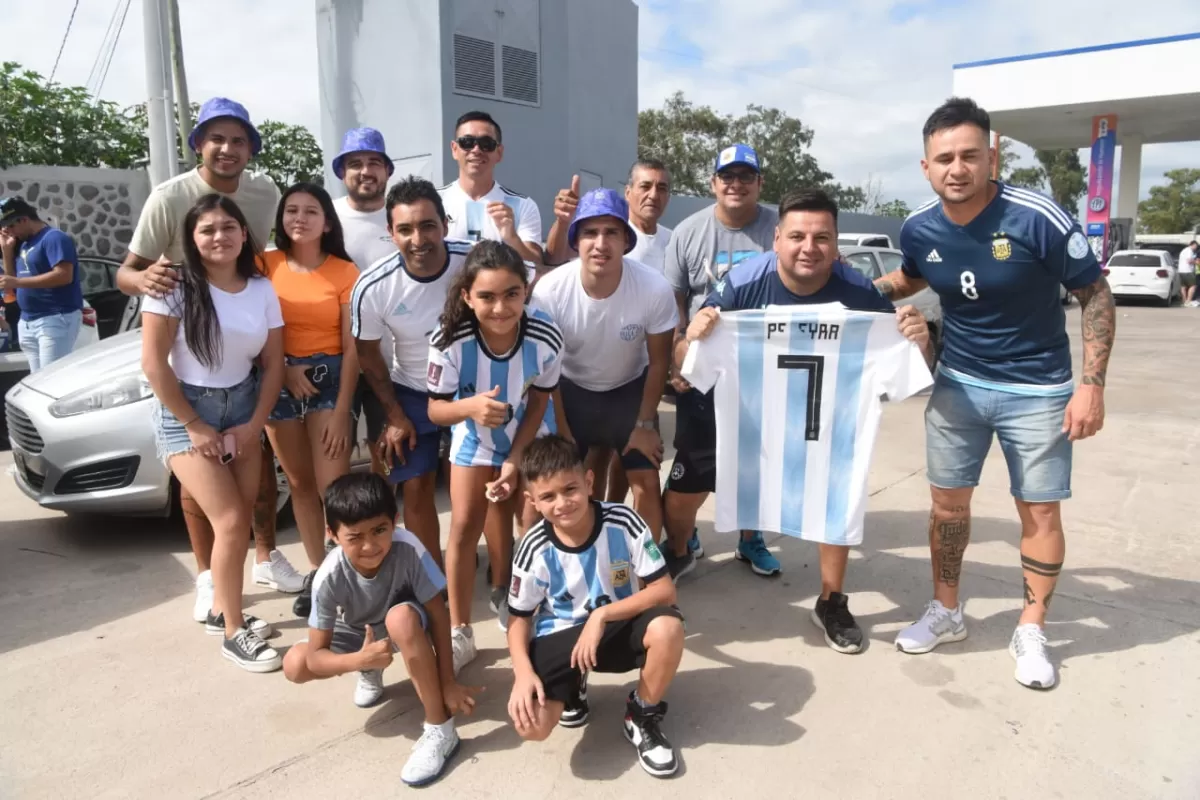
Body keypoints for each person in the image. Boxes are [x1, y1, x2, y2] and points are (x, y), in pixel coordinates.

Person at [875, 97, 1116, 690]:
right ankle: (947, 611)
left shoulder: (1038, 217)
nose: (957, 168)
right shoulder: (918, 225)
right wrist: (839, 290)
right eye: (944, 158)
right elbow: (911, 275)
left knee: (1037, 510)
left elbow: (1096, 296)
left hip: (1038, 392)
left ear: (992, 155)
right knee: (947, 509)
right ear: (926, 166)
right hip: (958, 387)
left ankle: (1031, 627)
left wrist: (1091, 387)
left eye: (969, 155)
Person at [681, 188, 934, 653]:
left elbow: (908, 373)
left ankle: (831, 599)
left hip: (825, 424)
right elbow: (687, 361)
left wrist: (919, 341)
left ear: (836, 244)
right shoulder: (743, 284)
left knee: (836, 488)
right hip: (757, 422)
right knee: (691, 486)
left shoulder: (859, 293)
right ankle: (677, 554)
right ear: (776, 239)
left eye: (822, 237)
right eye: (797, 235)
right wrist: (693, 337)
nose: (808, 247)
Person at [114, 97, 301, 617]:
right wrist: (150, 281)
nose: (227, 149)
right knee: (208, 500)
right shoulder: (168, 198)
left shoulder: (266, 195)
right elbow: (127, 273)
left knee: (256, 483)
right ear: (198, 144)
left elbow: (272, 261)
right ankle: (211, 582)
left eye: (238, 140)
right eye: (216, 138)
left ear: (250, 149)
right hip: (186, 337)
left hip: (242, 356)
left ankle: (262, 558)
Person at [140, 194, 285, 672]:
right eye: (207, 230)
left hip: (244, 407)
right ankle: (234, 632)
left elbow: (273, 363)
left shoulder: (261, 288)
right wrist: (194, 424)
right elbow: (153, 365)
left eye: (228, 227)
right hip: (187, 411)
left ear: (245, 234)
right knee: (226, 521)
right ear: (192, 239)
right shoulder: (173, 287)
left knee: (240, 520)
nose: (219, 237)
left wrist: (255, 423)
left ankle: (226, 608)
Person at [282, 473, 479, 787]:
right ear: (332, 534)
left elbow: (438, 615)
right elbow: (315, 657)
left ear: (395, 521)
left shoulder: (409, 547)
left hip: (406, 624)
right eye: (355, 536)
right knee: (294, 663)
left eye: (379, 530)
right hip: (364, 633)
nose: (370, 545)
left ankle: (441, 729)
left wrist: (448, 683)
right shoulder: (327, 576)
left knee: (400, 619)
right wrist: (360, 660)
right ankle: (371, 669)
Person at [506, 434, 685, 778]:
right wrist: (523, 673)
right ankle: (573, 685)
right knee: (532, 726)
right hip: (561, 637)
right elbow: (518, 621)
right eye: (548, 496)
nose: (562, 503)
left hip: (615, 626)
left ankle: (641, 715)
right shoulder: (533, 547)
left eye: (570, 489)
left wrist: (601, 615)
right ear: (532, 501)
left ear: (589, 482)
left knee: (668, 628)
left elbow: (664, 590)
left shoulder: (624, 521)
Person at [427, 240, 565, 673]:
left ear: (526, 291)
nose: (500, 307)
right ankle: (460, 629)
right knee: (464, 529)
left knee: (537, 524)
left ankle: (534, 611)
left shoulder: (546, 335)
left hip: (531, 434)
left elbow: (541, 401)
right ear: (467, 296)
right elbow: (436, 409)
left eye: (511, 294)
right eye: (486, 296)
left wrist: (515, 461)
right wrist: (469, 408)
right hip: (473, 437)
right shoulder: (449, 337)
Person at [531, 189, 677, 544]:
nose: (600, 243)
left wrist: (644, 423)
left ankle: (646, 574)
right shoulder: (550, 291)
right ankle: (566, 559)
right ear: (575, 241)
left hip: (628, 391)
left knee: (645, 479)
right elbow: (545, 371)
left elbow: (659, 363)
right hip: (570, 391)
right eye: (589, 233)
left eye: (611, 232)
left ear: (627, 240)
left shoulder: (653, 288)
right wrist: (563, 430)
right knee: (557, 482)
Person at [662, 143, 780, 580]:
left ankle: (751, 540)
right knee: (692, 465)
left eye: (745, 176)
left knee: (757, 463)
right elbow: (673, 301)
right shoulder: (688, 233)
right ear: (713, 183)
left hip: (764, 371)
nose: (735, 184)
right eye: (726, 176)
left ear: (759, 184)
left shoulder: (779, 230)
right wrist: (678, 356)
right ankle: (685, 539)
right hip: (705, 373)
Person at [351, 177, 473, 561]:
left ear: (445, 224)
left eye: (427, 225)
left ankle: (472, 562)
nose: (417, 238)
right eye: (405, 229)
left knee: (470, 483)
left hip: (471, 389)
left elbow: (526, 286)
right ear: (391, 233)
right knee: (417, 485)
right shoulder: (373, 286)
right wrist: (395, 414)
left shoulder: (474, 262)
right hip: (412, 391)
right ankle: (432, 571)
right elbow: (367, 354)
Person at [263, 183, 361, 616]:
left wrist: (343, 411)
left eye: (310, 211)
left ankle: (346, 576)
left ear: (327, 221)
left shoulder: (344, 271)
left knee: (333, 489)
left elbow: (353, 345)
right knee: (300, 485)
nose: (299, 219)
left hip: (330, 379)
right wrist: (283, 367)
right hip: (276, 378)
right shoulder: (264, 264)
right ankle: (319, 574)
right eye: (291, 210)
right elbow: (253, 323)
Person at [330, 128, 401, 478]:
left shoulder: (404, 217)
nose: (365, 171)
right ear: (342, 172)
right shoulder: (325, 218)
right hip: (334, 358)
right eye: (354, 163)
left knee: (386, 456)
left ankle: (383, 527)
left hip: (392, 361)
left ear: (387, 170)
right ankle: (340, 532)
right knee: (333, 456)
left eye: (374, 162)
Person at [437, 111, 543, 268]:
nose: (476, 150)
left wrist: (512, 238)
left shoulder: (523, 205)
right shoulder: (435, 201)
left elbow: (537, 265)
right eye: (467, 142)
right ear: (454, 149)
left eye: (486, 143)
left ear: (499, 153)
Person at [0, 197, 83, 371]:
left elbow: (64, 276)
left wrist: (18, 281)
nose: (10, 232)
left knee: (51, 380)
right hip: (28, 321)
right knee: (37, 384)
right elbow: (12, 283)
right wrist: (7, 250)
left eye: (11, 226)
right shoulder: (23, 244)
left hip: (55, 317)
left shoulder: (54, 238)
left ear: (24, 219)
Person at [1180, 240, 1197, 306]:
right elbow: (1189, 261)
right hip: (1188, 271)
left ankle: (1184, 301)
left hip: (1181, 270)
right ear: (1192, 245)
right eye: (1196, 246)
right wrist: (1196, 262)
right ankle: (1188, 301)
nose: (1196, 248)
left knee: (1183, 286)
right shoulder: (1189, 251)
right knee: (1193, 286)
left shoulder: (1183, 250)